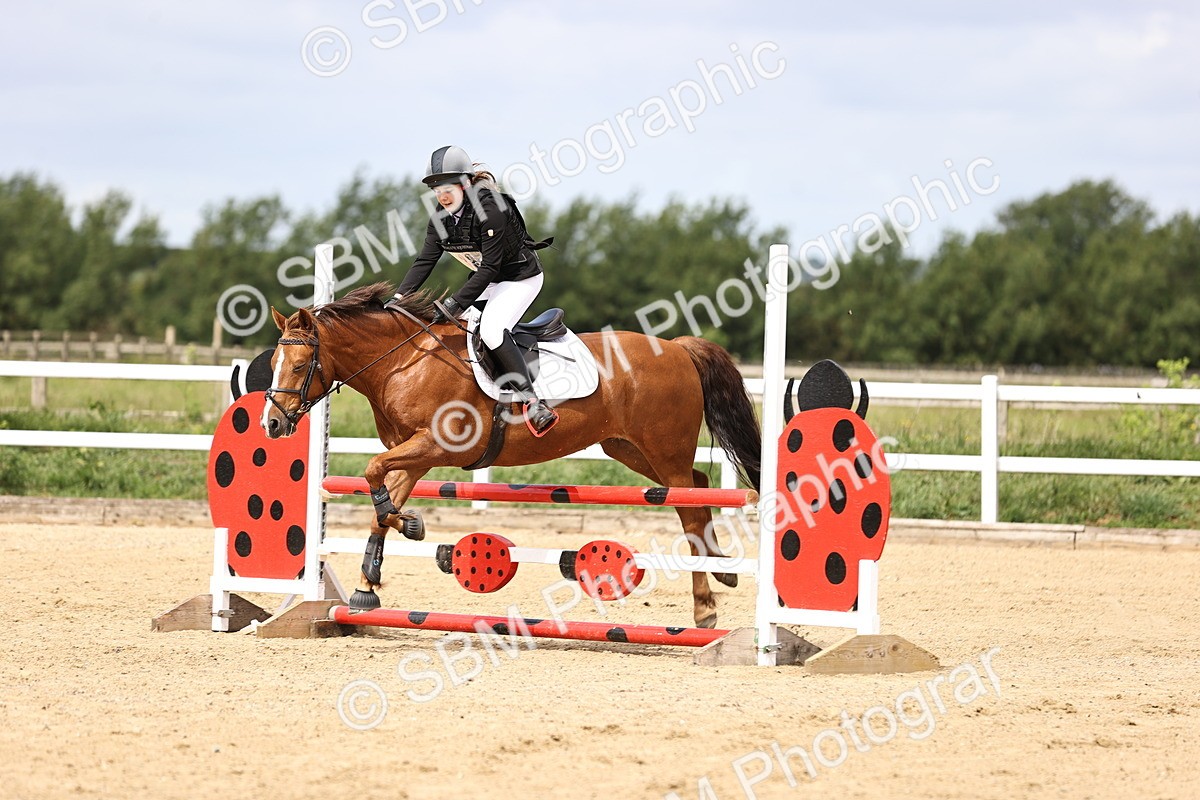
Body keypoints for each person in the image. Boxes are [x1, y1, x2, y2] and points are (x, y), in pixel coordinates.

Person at [389, 145, 558, 436]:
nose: (441, 195)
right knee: (456, 329)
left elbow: (490, 267)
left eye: (447, 187)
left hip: (520, 278)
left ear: (466, 183)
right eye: (436, 188)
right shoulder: (441, 220)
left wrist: (456, 302)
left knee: (492, 330)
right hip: (490, 281)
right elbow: (425, 260)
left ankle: (533, 402)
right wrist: (396, 299)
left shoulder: (490, 208)